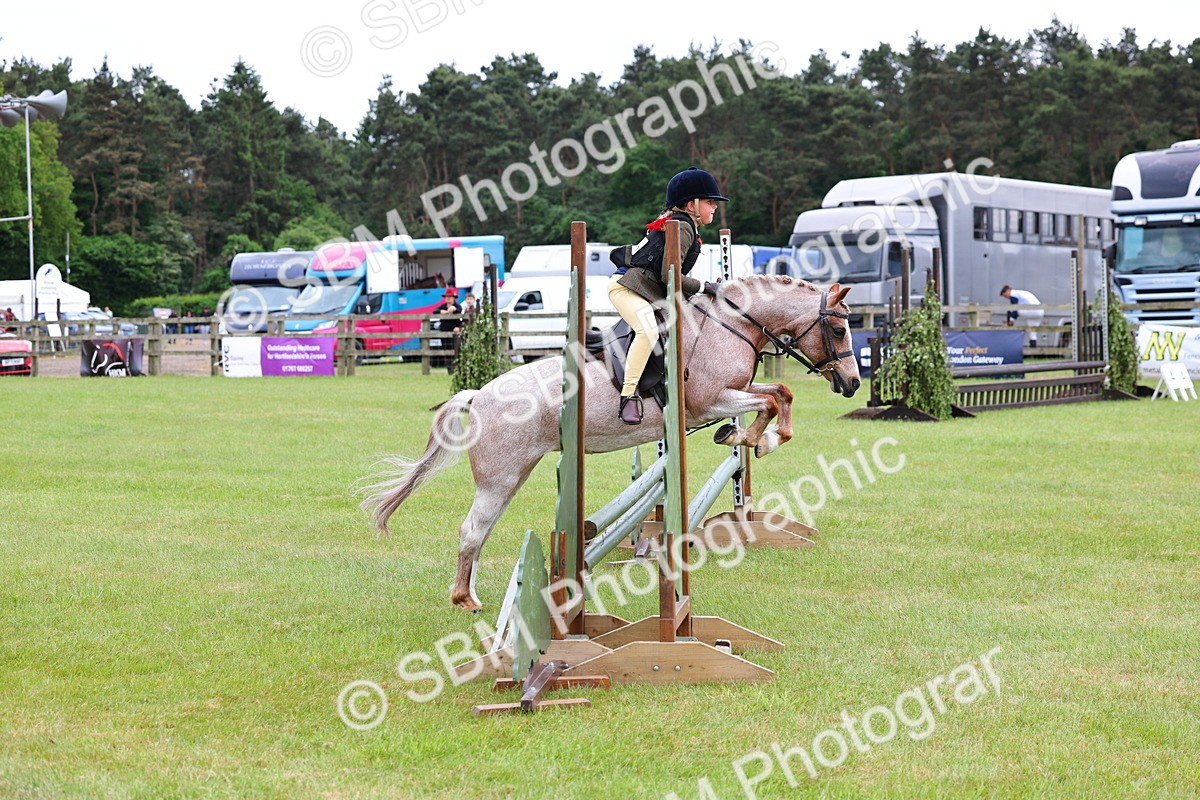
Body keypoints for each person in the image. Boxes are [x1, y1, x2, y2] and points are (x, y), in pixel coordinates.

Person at [608, 166, 726, 424]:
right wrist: (705, 287)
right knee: (648, 330)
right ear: (691, 204)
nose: (715, 207)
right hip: (627, 287)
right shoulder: (682, 227)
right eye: (710, 202)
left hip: (646, 290)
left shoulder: (686, 227)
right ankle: (628, 395)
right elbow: (669, 277)